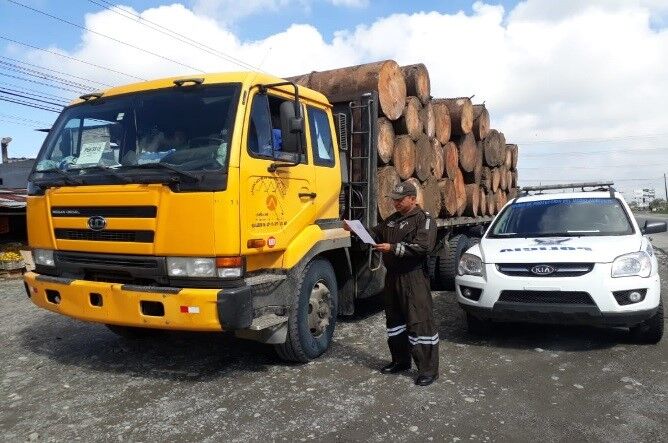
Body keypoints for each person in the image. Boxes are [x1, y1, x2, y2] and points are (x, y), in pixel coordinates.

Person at [347, 181, 439, 386]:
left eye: (400, 199)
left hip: (413, 278)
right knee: (395, 321)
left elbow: (423, 247)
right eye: (394, 200)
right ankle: (400, 360)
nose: (395, 203)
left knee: (419, 322)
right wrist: (355, 229)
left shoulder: (424, 219)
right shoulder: (392, 220)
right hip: (393, 277)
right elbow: (374, 233)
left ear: (413, 199)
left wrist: (392, 248)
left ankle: (428, 370)